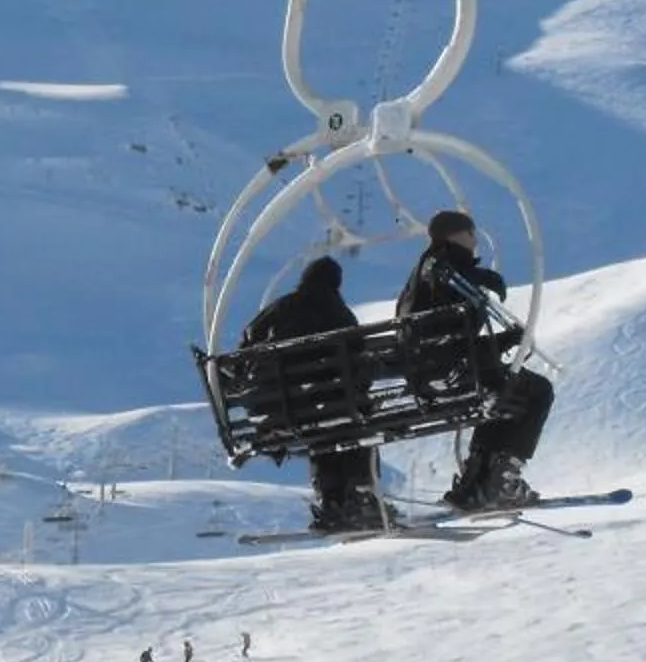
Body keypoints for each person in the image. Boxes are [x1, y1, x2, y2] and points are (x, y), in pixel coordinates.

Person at [398, 211, 553, 512]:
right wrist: (486, 280)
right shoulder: (446, 267)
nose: (475, 240)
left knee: (502, 388)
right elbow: (454, 333)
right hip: (452, 372)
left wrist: (504, 341)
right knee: (537, 390)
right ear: (455, 235)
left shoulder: (423, 271)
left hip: (433, 372)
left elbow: (451, 337)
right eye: (471, 234)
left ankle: (479, 480)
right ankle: (500, 479)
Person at [237, 254, 381, 531]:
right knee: (344, 420)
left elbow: (246, 346)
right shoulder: (339, 312)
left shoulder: (280, 307)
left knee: (321, 427)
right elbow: (358, 355)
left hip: (281, 410)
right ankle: (358, 499)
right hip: (337, 407)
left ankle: (332, 502)